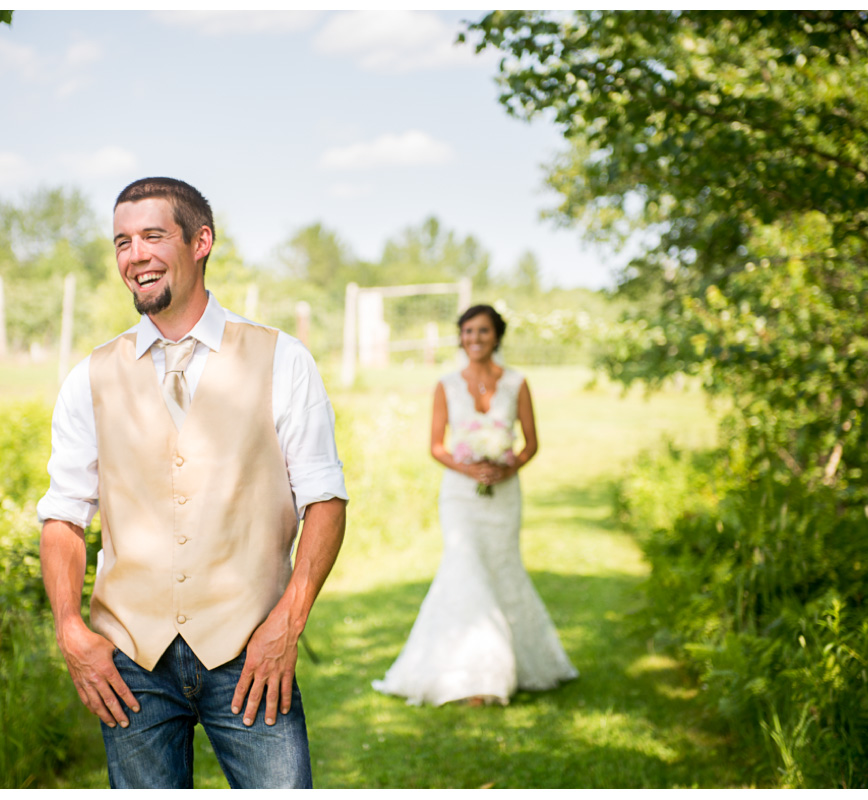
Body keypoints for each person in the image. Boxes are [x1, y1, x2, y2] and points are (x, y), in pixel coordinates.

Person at [37, 177, 348, 788]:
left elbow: (325, 501)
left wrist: (288, 623)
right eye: (122, 242)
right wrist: (70, 629)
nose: (135, 256)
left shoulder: (283, 359)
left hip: (250, 651)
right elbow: (63, 516)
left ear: (201, 241)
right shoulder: (90, 377)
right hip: (132, 662)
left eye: (153, 236)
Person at [372, 304, 578, 706]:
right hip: (460, 496)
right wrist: (470, 471)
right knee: (464, 568)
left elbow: (531, 443)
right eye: (467, 332)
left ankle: (522, 664)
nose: (474, 339)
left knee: (503, 568)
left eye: (482, 331)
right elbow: (436, 447)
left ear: (496, 336)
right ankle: (475, 676)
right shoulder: (446, 384)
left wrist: (507, 465)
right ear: (460, 337)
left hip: (504, 495)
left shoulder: (516, 383)